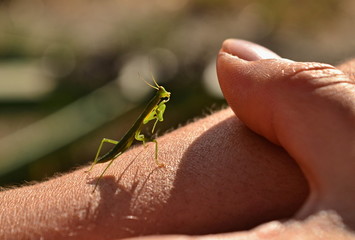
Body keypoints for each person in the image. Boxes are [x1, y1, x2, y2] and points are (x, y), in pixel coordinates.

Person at [0, 39, 354, 240]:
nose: (163, 98)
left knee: (147, 140)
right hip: (123, 147)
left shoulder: (157, 105)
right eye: (162, 97)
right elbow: (149, 135)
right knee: (121, 144)